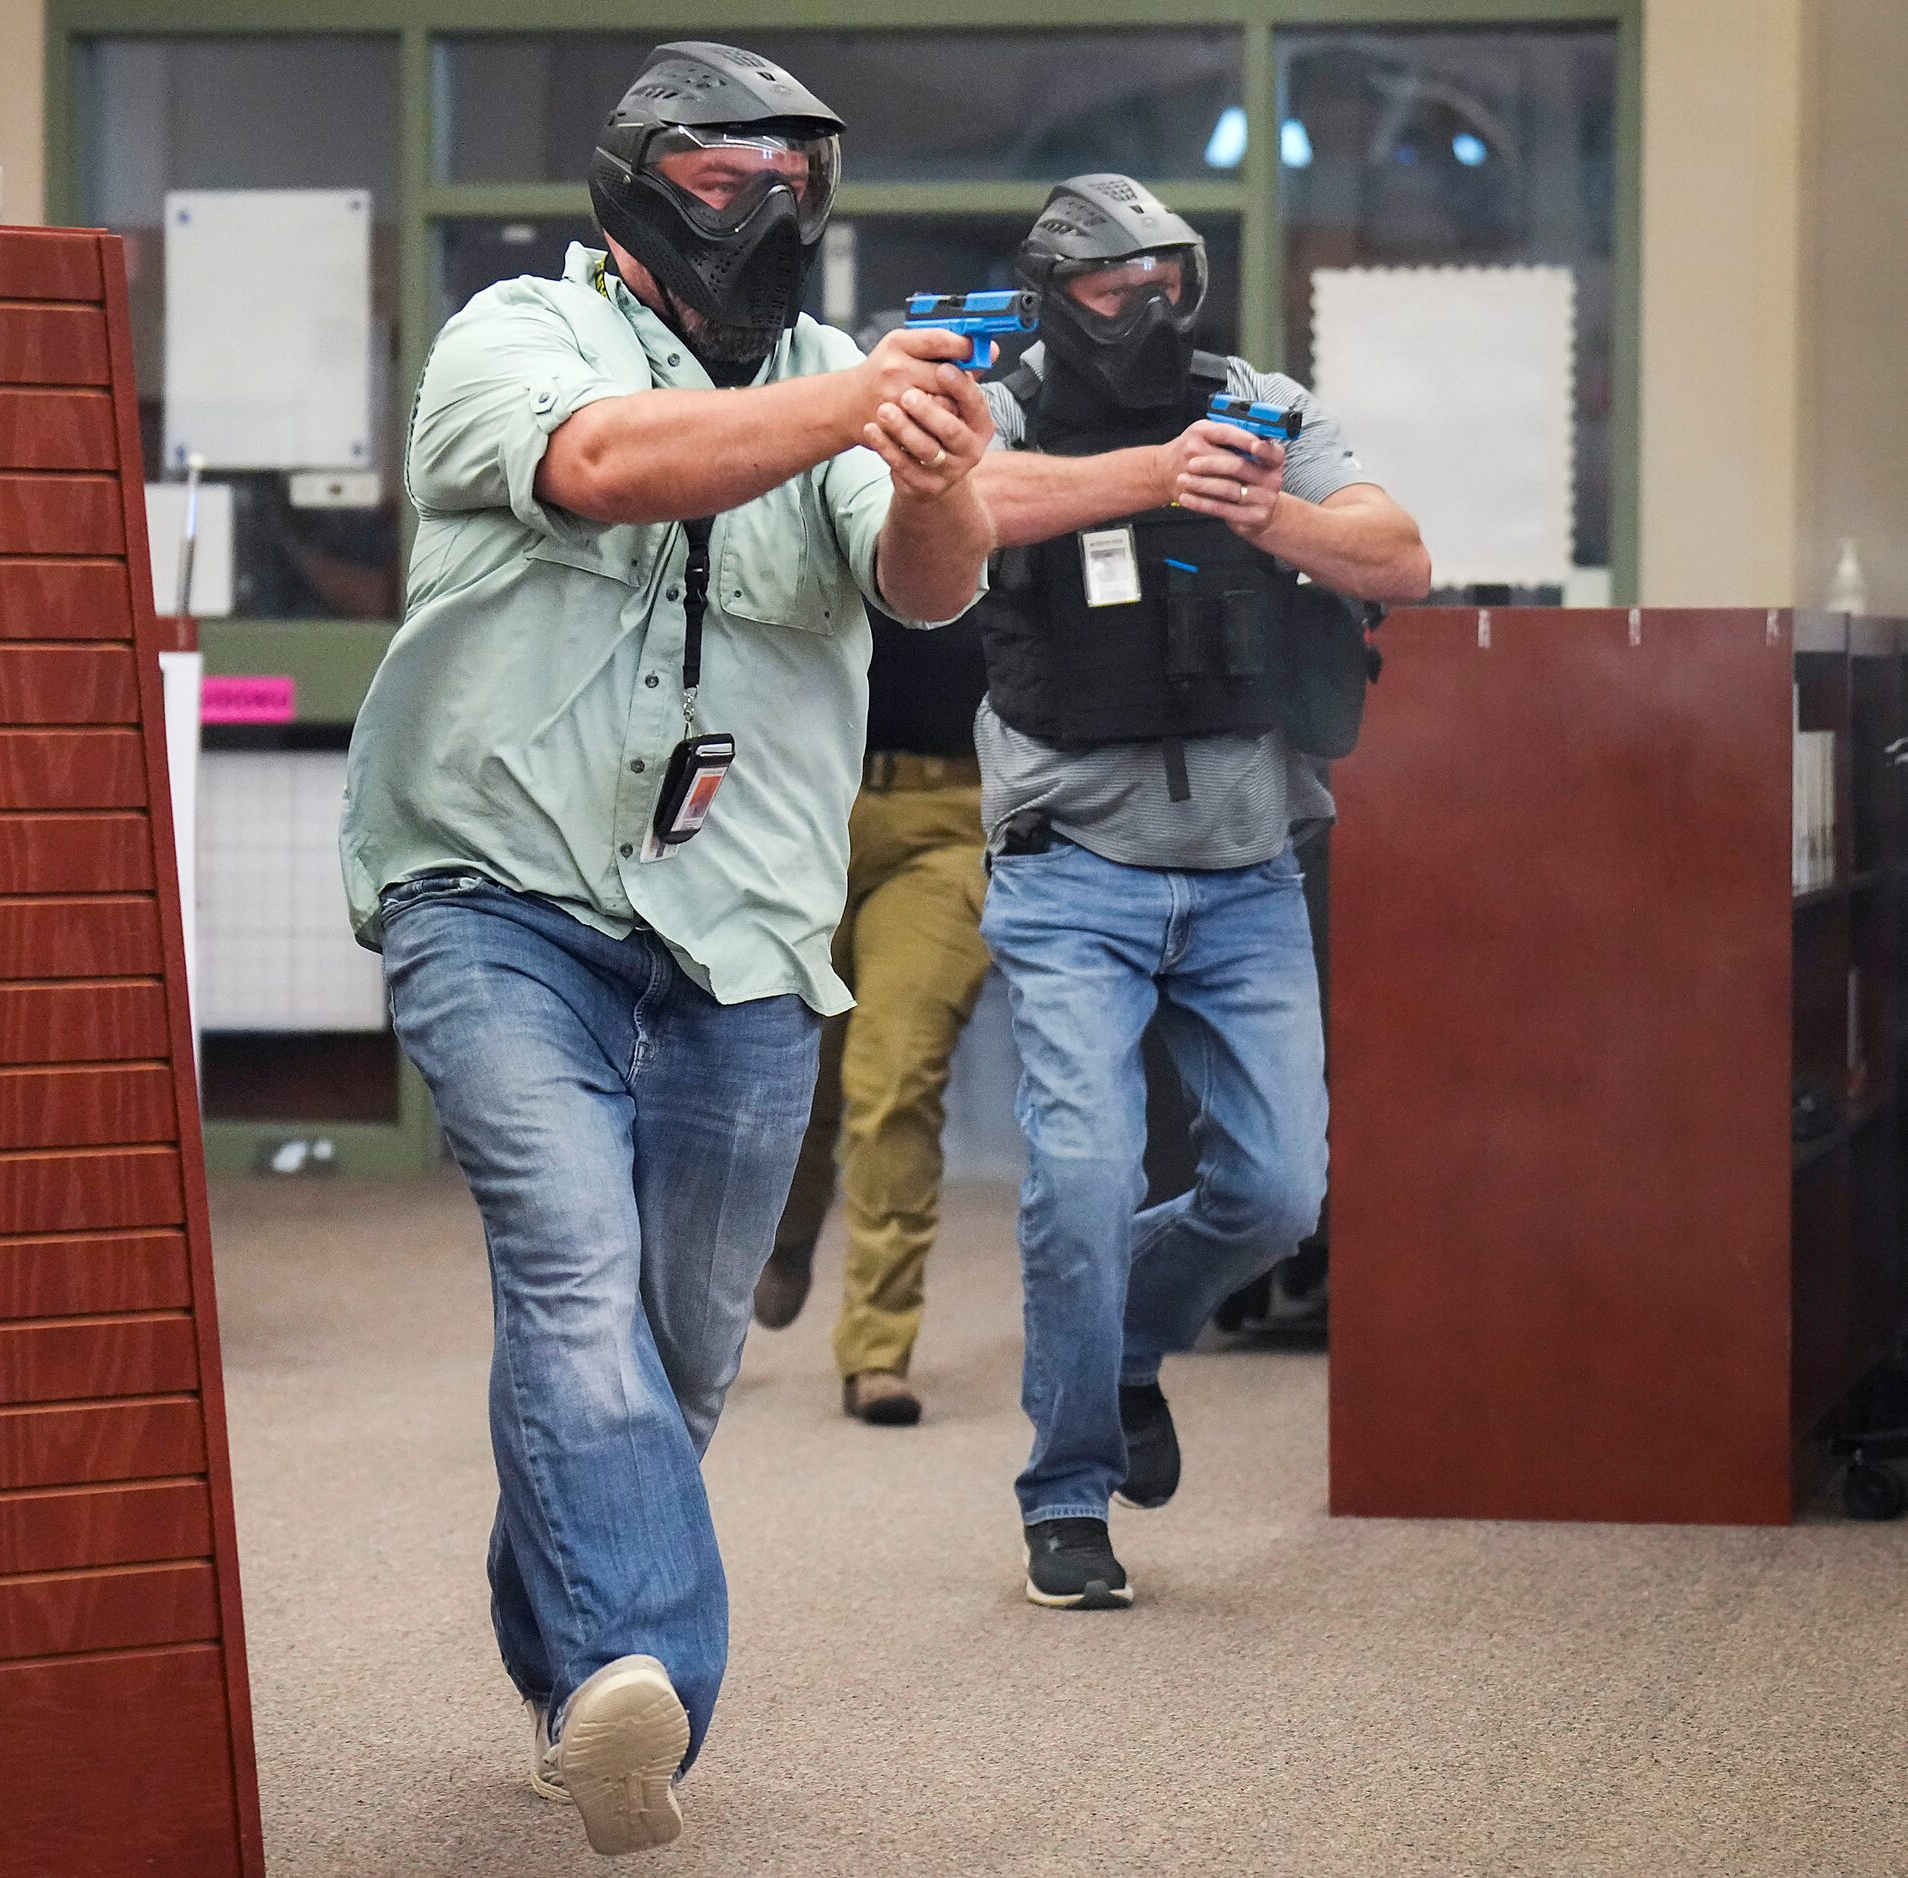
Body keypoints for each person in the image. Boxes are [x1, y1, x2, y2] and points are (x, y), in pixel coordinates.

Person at [339, 41, 996, 1857]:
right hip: (490, 891)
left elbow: (927, 582)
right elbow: (613, 464)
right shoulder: (509, 339)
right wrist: (866, 402)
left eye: (795, 173)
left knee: (672, 1354)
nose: (763, 203)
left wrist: (938, 466)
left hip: (745, 936)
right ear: (634, 182)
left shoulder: (837, 392)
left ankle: (565, 1656)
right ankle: (642, 1673)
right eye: (723, 172)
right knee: (569, 1260)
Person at [964, 175, 1429, 1611]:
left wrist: (1268, 512)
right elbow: (960, 513)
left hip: (1245, 874)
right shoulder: (1003, 408)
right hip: (1068, 872)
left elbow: (1398, 555)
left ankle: (1120, 1346)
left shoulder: (1258, 402)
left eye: (1169, 277)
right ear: (1055, 291)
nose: (1147, 307)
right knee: (1086, 1177)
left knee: (1281, 1191)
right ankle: (1065, 1491)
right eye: (1114, 285)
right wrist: (1156, 474)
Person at [752, 594, 992, 1430]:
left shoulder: (1010, 476)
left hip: (950, 822)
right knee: (790, 1070)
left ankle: (877, 1350)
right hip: (802, 806)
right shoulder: (812, 472)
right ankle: (782, 1233)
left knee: (893, 1077)